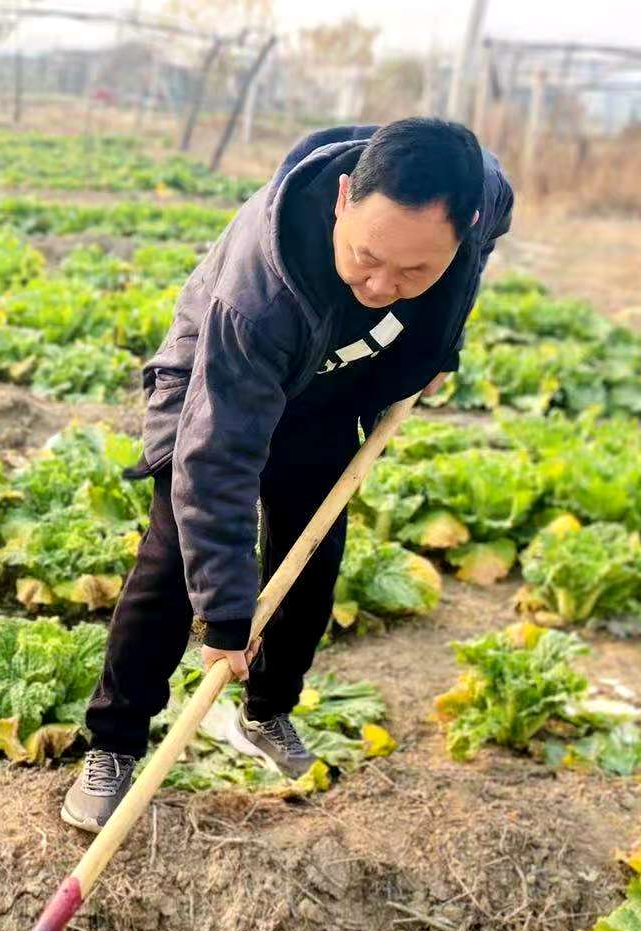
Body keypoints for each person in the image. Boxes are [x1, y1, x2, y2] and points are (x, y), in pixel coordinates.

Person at [61, 118, 514, 832]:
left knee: (312, 561)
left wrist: (437, 350)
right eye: (368, 257)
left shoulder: (483, 200)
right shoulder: (257, 295)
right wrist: (228, 615)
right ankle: (114, 743)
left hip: (330, 390)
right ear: (341, 200)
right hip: (216, 389)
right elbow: (219, 458)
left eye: (415, 273)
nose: (381, 285)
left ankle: (265, 713)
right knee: (173, 567)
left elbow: (479, 252)